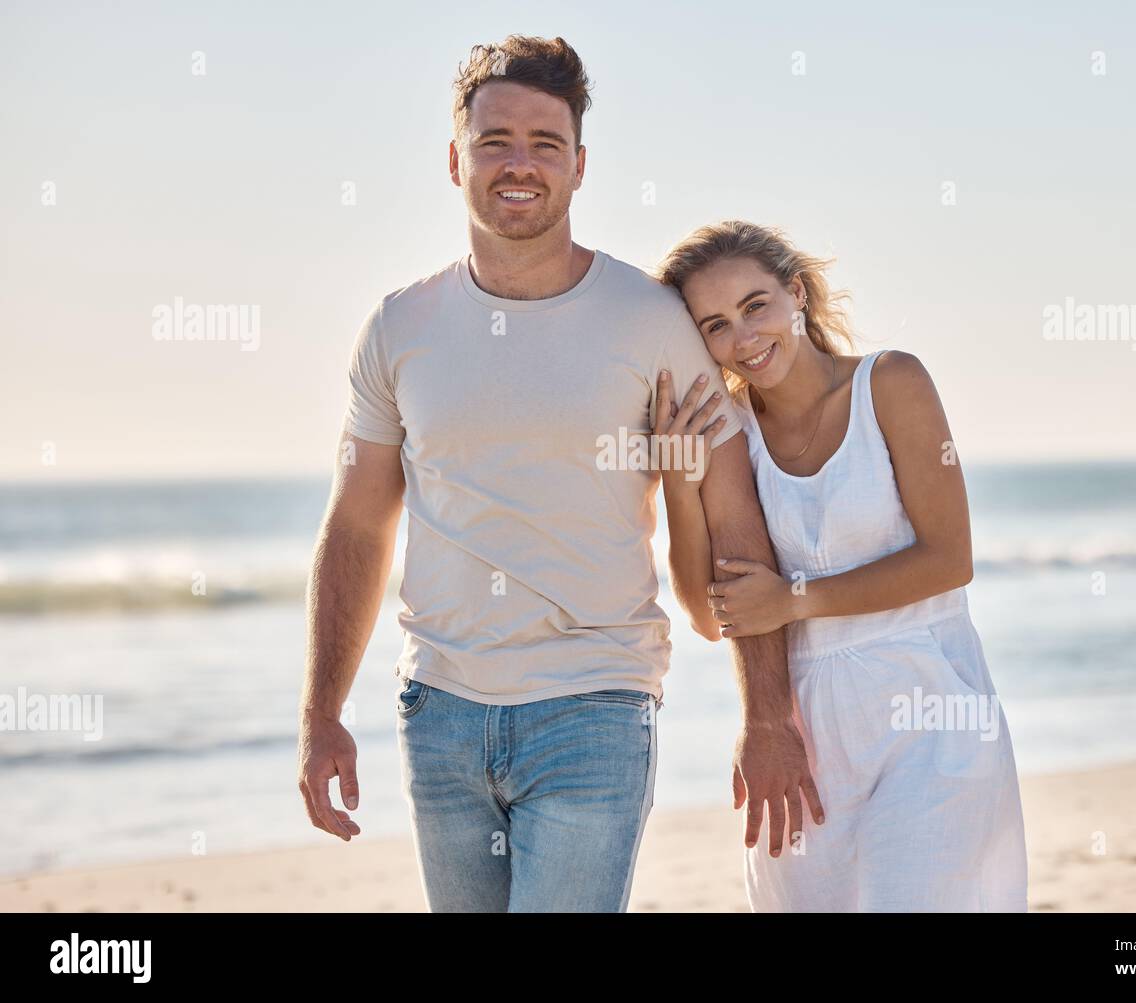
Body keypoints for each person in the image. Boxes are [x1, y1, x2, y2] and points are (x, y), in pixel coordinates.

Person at [295, 37, 822, 912]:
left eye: (546, 143)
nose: (520, 164)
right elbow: (356, 525)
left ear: (580, 167)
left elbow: (735, 526)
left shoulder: (653, 323)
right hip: (439, 711)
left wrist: (767, 718)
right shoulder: (398, 328)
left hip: (595, 706)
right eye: (496, 140)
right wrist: (321, 712)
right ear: (455, 158)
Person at [654, 220, 1030, 911]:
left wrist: (795, 600)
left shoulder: (890, 382)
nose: (743, 338)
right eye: (714, 324)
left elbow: (950, 559)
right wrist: (680, 483)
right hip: (812, 737)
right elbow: (712, 616)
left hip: (931, 712)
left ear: (795, 293)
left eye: (755, 305)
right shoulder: (728, 431)